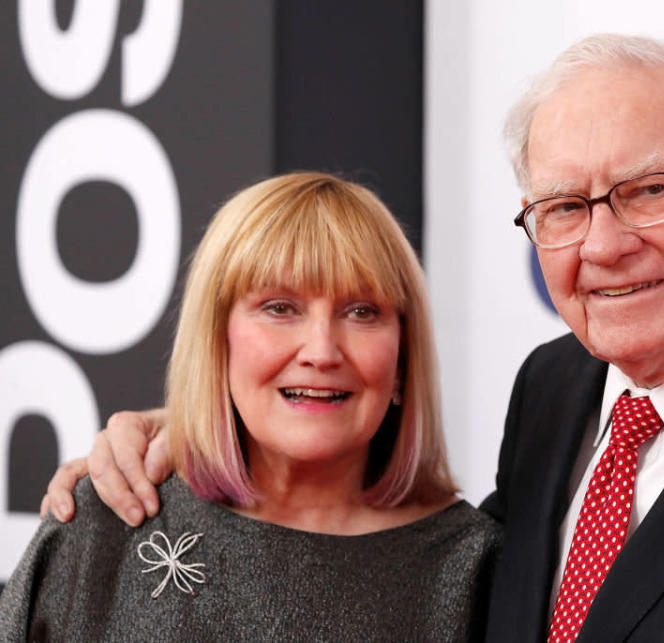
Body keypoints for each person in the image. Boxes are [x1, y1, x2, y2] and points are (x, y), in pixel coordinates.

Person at [40, 34, 664, 642]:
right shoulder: (556, 386)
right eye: (564, 207)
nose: (605, 244)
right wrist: (192, 428)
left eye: (650, 189)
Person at [0, 172, 500, 641]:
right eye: (280, 308)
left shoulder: (476, 568)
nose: (322, 352)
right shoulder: (104, 523)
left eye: (362, 312)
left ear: (403, 360)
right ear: (216, 341)